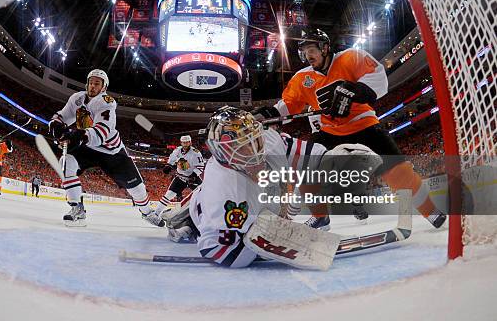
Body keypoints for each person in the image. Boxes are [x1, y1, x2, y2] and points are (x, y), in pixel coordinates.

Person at [252, 28, 446, 229]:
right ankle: (320, 217)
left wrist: (355, 90)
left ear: (325, 48)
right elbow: (289, 104)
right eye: (304, 51)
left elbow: (378, 75)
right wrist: (270, 114)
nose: (308, 55)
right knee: (306, 170)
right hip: (329, 131)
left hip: (364, 124)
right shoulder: (302, 78)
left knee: (397, 170)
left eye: (312, 49)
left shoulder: (350, 58)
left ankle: (431, 211)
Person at [164, 106, 380, 268]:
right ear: (222, 153)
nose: (254, 150)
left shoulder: (269, 140)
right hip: (220, 219)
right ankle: (190, 225)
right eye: (242, 147)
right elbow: (220, 251)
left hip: (254, 207)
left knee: (283, 194)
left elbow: (313, 157)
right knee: (263, 213)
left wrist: (340, 162)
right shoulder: (227, 191)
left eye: (254, 140)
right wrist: (270, 244)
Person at [48, 69, 164, 227]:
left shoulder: (106, 102)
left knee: (137, 188)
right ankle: (77, 208)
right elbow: (63, 115)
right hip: (88, 146)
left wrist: (79, 136)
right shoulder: (77, 99)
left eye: (97, 83)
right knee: (66, 162)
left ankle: (147, 212)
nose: (92, 86)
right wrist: (56, 124)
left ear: (104, 87)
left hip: (111, 150)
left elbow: (103, 131)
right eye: (91, 82)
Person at [154, 135, 204, 217]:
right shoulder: (177, 150)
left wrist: (194, 175)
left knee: (202, 195)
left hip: (193, 178)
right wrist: (169, 165)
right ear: (181, 143)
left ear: (190, 142)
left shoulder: (196, 153)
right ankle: (156, 214)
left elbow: (200, 166)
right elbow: (172, 158)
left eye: (187, 142)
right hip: (180, 177)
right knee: (168, 195)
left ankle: (205, 214)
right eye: (184, 143)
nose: (185, 144)